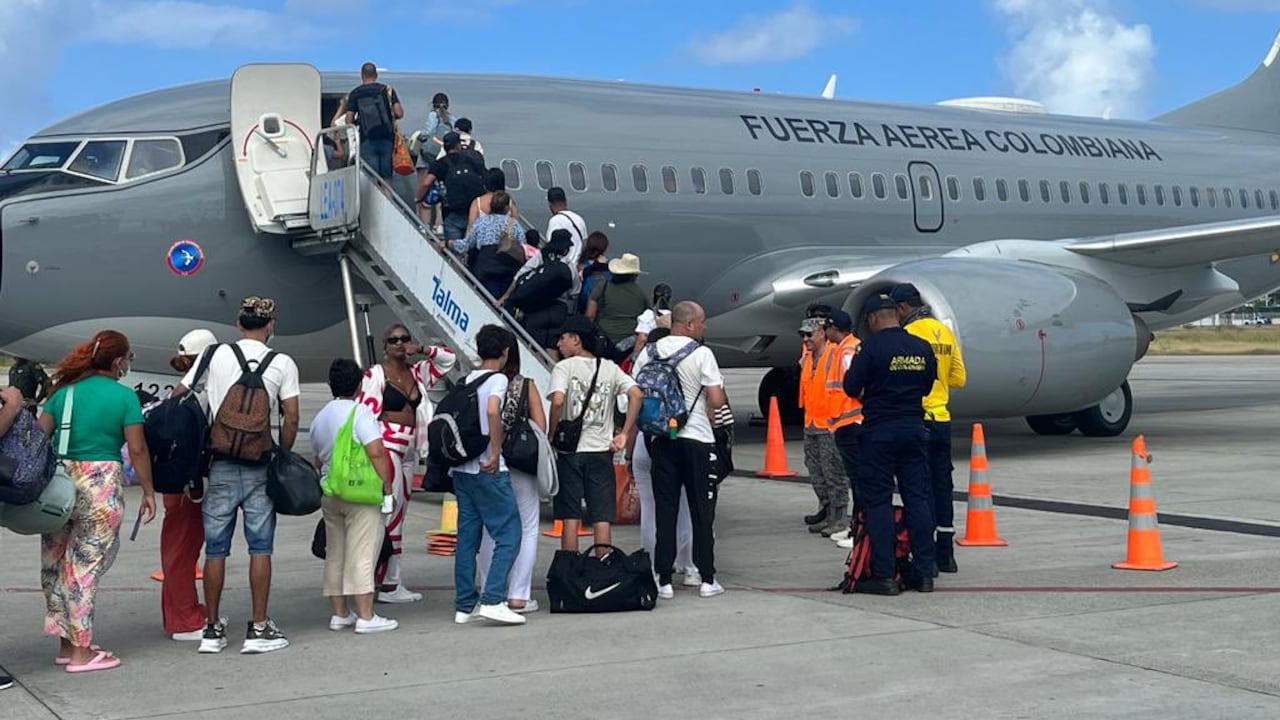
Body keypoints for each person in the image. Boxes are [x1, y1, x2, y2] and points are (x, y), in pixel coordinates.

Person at [174, 296, 301, 654]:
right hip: (259, 465)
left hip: (221, 464)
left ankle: (212, 630)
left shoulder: (214, 355)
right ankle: (258, 628)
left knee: (216, 550)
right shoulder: (283, 362)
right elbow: (291, 416)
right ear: (271, 325)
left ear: (238, 323)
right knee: (260, 547)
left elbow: (181, 393)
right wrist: (283, 453)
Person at [36, 330, 158, 672]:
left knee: (55, 565)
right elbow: (136, 448)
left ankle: (67, 642)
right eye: (128, 360)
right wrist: (148, 490)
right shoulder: (124, 398)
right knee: (84, 568)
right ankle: (82, 653)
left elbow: (37, 437)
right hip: (100, 485)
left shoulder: (62, 394)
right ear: (119, 362)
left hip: (58, 488)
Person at [631, 301, 729, 600]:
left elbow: (634, 391)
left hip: (662, 439)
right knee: (701, 509)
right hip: (696, 438)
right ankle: (706, 578)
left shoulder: (648, 352)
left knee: (665, 509)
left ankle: (663, 579)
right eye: (701, 323)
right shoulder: (702, 353)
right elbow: (715, 400)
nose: (703, 328)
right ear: (688, 324)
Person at [842, 293, 938, 595]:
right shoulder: (921, 348)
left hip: (880, 432)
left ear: (872, 319)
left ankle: (884, 574)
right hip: (913, 428)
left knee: (878, 501)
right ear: (896, 315)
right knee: (918, 499)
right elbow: (926, 385)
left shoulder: (870, 349)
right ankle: (924, 573)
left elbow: (851, 387)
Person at [358, 325, 456, 603]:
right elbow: (365, 414)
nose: (400, 344)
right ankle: (389, 582)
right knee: (393, 514)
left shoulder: (417, 372)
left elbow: (448, 359)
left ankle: (386, 579)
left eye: (405, 339)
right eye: (394, 340)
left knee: (397, 514)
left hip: (409, 450)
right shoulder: (374, 375)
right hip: (386, 446)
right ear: (384, 345)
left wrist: (424, 349)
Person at [311, 359, 398, 634]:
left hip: (331, 491)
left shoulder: (320, 416)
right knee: (363, 552)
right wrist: (386, 485)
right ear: (360, 385)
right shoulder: (360, 412)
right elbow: (376, 451)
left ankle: (340, 614)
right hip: (359, 493)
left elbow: (317, 457)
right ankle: (366, 615)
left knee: (335, 552)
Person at [451, 325, 525, 626]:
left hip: (462, 469)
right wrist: (495, 452)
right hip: (486, 467)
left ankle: (463, 604)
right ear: (505, 352)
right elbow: (493, 411)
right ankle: (493, 598)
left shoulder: (467, 379)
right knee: (509, 534)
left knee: (468, 538)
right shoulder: (497, 379)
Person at [548, 315, 642, 553]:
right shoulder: (608, 367)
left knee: (570, 515)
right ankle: (602, 566)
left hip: (571, 451)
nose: (559, 343)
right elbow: (636, 394)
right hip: (601, 450)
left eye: (563, 338)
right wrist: (625, 433)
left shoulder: (563, 367)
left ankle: (569, 566)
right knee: (601, 514)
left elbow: (558, 400)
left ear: (576, 339)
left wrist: (551, 433)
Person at [891, 283, 967, 574]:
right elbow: (959, 378)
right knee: (942, 486)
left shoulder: (909, 335)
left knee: (919, 489)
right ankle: (946, 552)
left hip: (917, 418)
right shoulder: (943, 331)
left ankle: (924, 552)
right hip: (942, 420)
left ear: (901, 309)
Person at [476, 333, 547, 612]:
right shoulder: (523, 385)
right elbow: (539, 426)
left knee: (489, 528)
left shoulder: (470, 382)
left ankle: (488, 587)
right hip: (518, 462)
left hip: (482, 462)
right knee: (528, 527)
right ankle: (518, 595)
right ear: (509, 352)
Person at [161, 329, 219, 642]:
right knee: (183, 552)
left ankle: (183, 612)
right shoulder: (204, 393)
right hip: (191, 485)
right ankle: (184, 619)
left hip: (177, 481)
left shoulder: (180, 392)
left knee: (179, 550)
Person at [630, 327, 697, 584]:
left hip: (645, 440)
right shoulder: (684, 364)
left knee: (650, 508)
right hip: (674, 439)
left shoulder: (641, 364)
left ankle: (652, 565)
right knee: (683, 506)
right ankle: (687, 564)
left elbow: (630, 408)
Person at [797, 317, 850, 537]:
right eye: (803, 335)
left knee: (834, 472)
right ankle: (827, 511)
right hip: (811, 422)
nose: (806, 339)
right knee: (816, 470)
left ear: (822, 333)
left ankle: (840, 517)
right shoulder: (808, 357)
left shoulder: (835, 354)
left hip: (829, 424)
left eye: (810, 335)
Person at [821, 310, 864, 545]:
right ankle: (855, 528)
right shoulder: (846, 347)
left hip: (852, 422)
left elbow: (855, 385)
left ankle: (859, 531)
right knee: (855, 479)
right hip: (846, 421)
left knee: (858, 480)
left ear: (834, 328)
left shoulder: (848, 351)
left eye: (827, 328)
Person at [419, 132, 487, 246]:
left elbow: (426, 183)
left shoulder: (440, 163)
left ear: (444, 147)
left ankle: (456, 260)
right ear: (458, 145)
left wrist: (418, 198)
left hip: (452, 213)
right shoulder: (471, 160)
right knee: (473, 247)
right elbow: (485, 177)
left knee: (454, 248)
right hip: (473, 210)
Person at [460, 191, 527, 299]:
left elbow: (467, 243)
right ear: (506, 208)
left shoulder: (482, 222)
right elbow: (523, 245)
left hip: (486, 268)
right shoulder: (513, 223)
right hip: (507, 269)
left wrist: (450, 243)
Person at [344, 62, 405, 180]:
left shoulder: (355, 93)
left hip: (367, 139)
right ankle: (388, 197)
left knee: (372, 178)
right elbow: (399, 113)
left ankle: (374, 197)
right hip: (387, 138)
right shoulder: (387, 90)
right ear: (376, 74)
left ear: (362, 75)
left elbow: (348, 120)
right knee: (387, 178)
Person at [585, 253, 650, 362]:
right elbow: (647, 319)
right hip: (628, 344)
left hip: (603, 339)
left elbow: (590, 315)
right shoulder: (641, 293)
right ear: (635, 275)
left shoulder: (603, 286)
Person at [415, 93, 452, 226]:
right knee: (440, 194)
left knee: (422, 192)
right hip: (442, 159)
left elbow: (426, 133)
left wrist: (419, 138)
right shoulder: (451, 119)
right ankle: (439, 225)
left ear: (433, 104)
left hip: (426, 159)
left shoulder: (432, 115)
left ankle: (422, 224)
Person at [632, 283, 673, 360]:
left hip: (649, 355)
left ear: (653, 296)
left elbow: (642, 338)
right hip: (667, 355)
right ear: (669, 298)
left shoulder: (649, 314)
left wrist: (634, 357)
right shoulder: (674, 316)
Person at [576, 231, 610, 314]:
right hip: (605, 308)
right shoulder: (611, 267)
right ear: (604, 249)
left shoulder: (580, 266)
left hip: (585, 308)